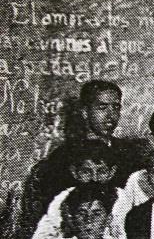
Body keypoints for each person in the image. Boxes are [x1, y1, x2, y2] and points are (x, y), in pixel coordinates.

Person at [21, 80, 140, 231]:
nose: (111, 115)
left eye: (116, 107)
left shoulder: (129, 154)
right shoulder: (64, 156)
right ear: (85, 112)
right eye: (102, 107)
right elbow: (55, 209)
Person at [30, 139, 133, 239]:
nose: (94, 178)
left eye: (101, 171)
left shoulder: (121, 199)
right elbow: (43, 238)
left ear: (112, 172)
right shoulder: (64, 198)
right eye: (86, 172)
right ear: (75, 172)